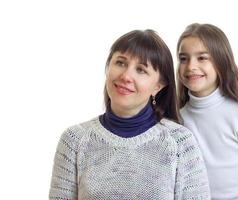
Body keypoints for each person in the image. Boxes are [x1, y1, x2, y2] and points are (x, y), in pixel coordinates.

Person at [49, 29, 211, 199]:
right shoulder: (74, 140)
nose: (126, 76)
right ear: (107, 67)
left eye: (141, 70)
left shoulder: (180, 143)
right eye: (120, 63)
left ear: (159, 86)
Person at [176, 23, 238, 200]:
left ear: (220, 62)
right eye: (183, 58)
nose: (191, 66)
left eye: (202, 58)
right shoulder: (178, 120)